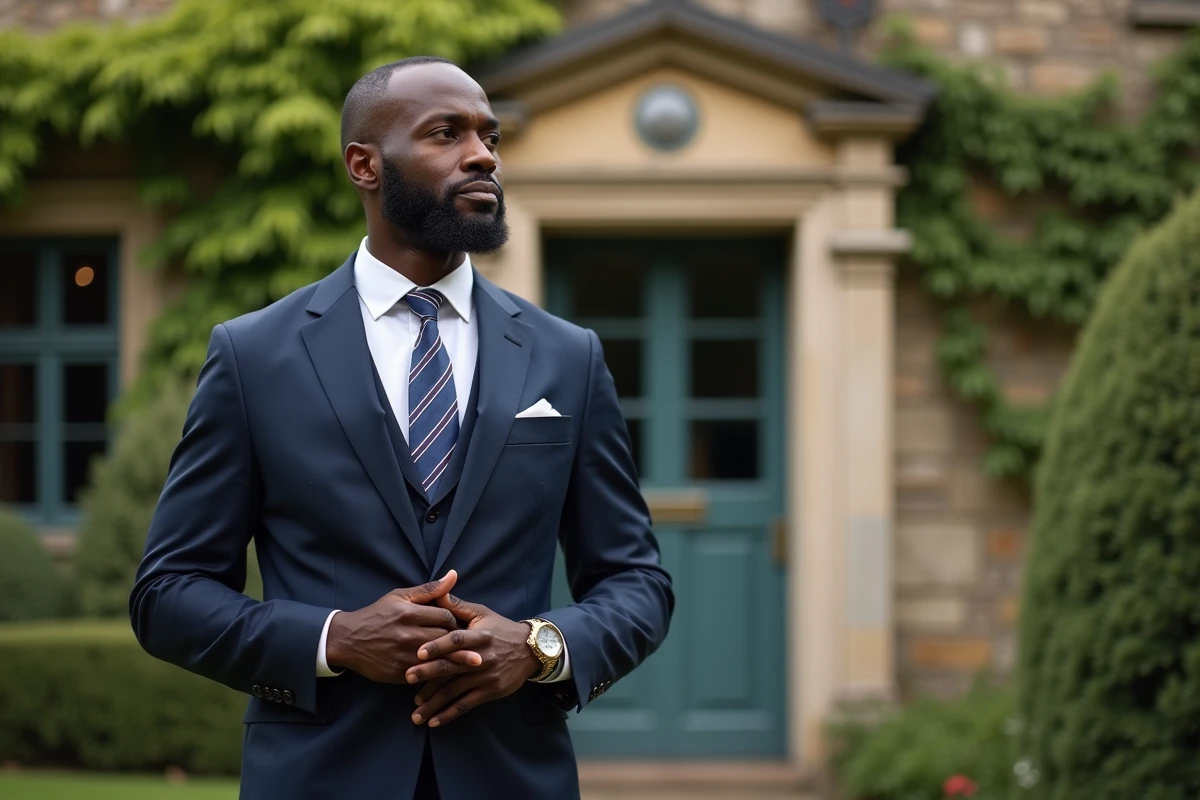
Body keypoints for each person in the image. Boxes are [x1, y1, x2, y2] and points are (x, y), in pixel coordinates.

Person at [129, 56, 673, 800]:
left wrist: (541, 647)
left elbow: (636, 581)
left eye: (490, 135)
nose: (483, 154)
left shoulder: (566, 356)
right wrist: (334, 639)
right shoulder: (254, 355)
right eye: (445, 133)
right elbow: (168, 593)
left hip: (510, 776)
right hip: (320, 777)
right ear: (365, 166)